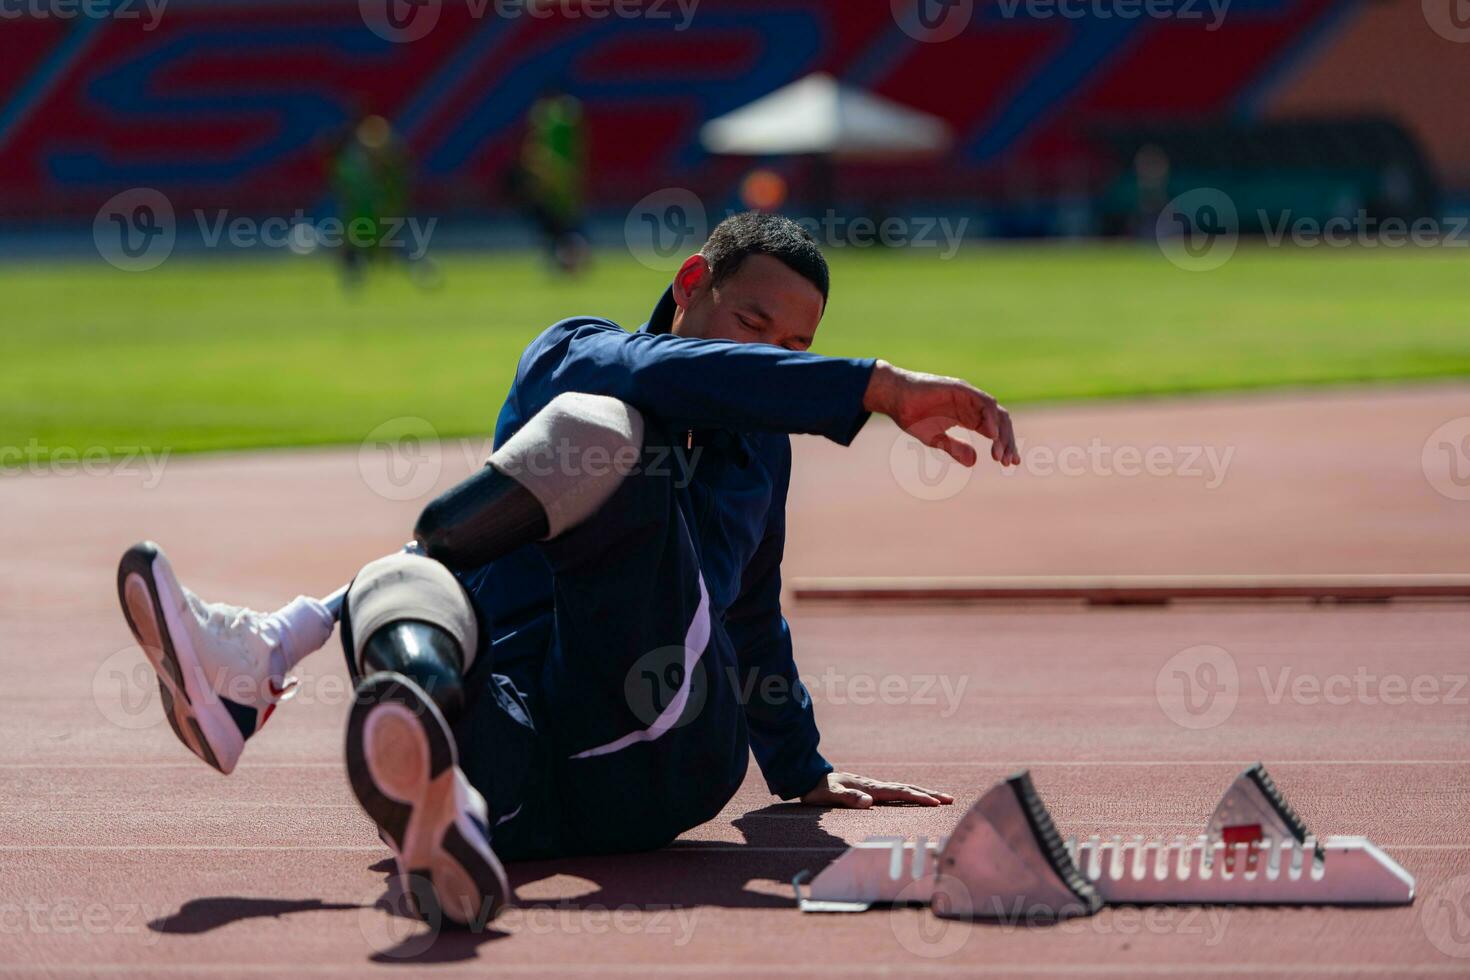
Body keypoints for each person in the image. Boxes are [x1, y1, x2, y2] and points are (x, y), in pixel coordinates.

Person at [115, 212, 1020, 928]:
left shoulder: (758, 456)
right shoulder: (576, 353)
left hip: (660, 741)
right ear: (690, 283)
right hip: (522, 762)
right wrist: (873, 388)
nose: (764, 359)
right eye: (751, 325)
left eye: (789, 350)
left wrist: (801, 765)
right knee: (429, 579)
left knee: (427, 560)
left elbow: (748, 615)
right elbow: (648, 372)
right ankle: (447, 807)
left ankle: (275, 650)